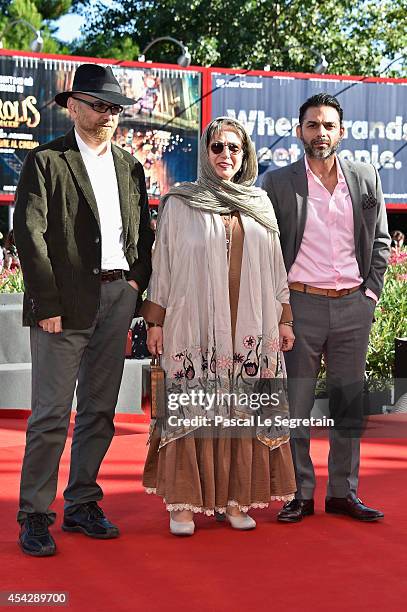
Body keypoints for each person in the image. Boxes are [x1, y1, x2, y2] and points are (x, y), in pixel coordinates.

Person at [13, 63, 154, 556]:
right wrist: (46, 301)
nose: (109, 114)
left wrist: (137, 283)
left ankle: (82, 503)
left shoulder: (130, 166)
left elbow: (142, 235)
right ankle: (34, 513)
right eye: (99, 105)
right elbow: (28, 236)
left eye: (115, 107)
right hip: (63, 304)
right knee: (51, 414)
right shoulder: (46, 162)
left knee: (99, 411)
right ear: (72, 106)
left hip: (118, 298)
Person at [141, 117, 297, 536]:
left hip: (251, 327)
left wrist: (284, 318)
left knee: (241, 409)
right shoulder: (180, 202)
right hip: (194, 325)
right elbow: (164, 265)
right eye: (217, 147)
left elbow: (277, 268)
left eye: (234, 148)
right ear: (206, 153)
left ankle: (235, 500)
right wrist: (154, 321)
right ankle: (183, 506)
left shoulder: (259, 204)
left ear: (245, 155)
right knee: (192, 404)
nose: (226, 155)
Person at [262, 93, 391, 523]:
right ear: (300, 131)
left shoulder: (365, 176)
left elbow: (382, 242)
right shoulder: (277, 183)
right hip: (301, 305)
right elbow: (266, 250)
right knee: (296, 405)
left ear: (342, 131)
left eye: (328, 125)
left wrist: (369, 296)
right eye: (313, 125)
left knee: (347, 405)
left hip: (353, 306)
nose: (321, 133)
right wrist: (280, 308)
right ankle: (299, 493)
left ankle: (343, 493)